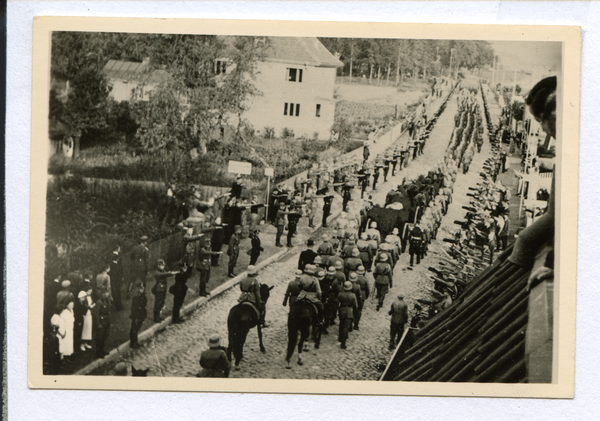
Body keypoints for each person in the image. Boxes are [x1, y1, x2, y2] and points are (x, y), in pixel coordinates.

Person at [336, 281, 358, 349]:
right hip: (349, 311)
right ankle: (343, 342)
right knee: (346, 327)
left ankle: (340, 337)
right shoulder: (353, 295)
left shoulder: (340, 294)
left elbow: (337, 302)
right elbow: (355, 305)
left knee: (341, 324)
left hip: (342, 310)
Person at [93, 289, 111, 358]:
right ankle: (98, 352)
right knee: (99, 338)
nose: (107, 295)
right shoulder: (99, 302)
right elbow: (96, 314)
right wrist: (98, 324)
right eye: (106, 294)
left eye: (107, 294)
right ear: (102, 294)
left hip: (106, 322)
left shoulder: (107, 301)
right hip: (101, 322)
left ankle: (102, 350)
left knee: (104, 337)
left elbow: (108, 312)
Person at [129, 281, 147, 349]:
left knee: (137, 328)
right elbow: (134, 309)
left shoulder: (143, 296)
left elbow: (144, 306)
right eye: (140, 288)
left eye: (142, 288)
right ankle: (133, 342)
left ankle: (135, 342)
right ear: (137, 289)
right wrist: (135, 317)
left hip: (141, 315)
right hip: (136, 316)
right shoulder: (136, 298)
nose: (141, 289)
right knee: (134, 329)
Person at [108, 244, 124, 311]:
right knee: (117, 291)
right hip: (116, 278)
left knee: (115, 291)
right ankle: (118, 305)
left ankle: (117, 304)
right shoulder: (117, 257)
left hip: (113, 278)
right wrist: (121, 276)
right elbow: (120, 269)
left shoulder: (110, 256)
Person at [59, 298, 75, 363]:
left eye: (72, 305)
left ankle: (68, 356)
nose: (71, 306)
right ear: (66, 305)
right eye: (70, 305)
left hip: (70, 329)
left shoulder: (72, 310)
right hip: (66, 330)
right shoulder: (64, 312)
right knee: (65, 343)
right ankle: (64, 358)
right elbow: (62, 322)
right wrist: (64, 330)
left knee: (69, 343)